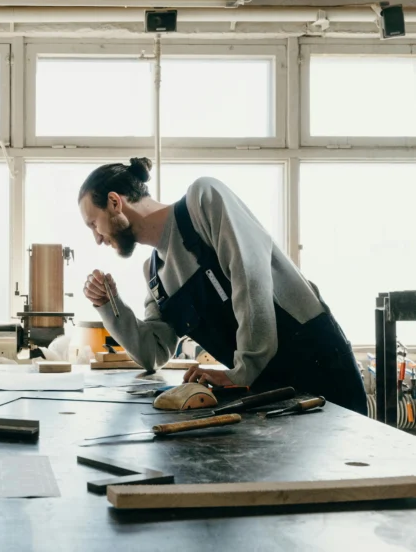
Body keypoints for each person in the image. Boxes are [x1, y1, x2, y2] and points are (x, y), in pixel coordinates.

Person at [79, 157, 367, 414]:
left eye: (93, 224)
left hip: (319, 367)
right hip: (266, 389)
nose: (97, 238)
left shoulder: (203, 201)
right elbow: (152, 354)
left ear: (115, 202)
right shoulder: (156, 274)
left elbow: (250, 276)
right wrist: (108, 305)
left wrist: (243, 371)